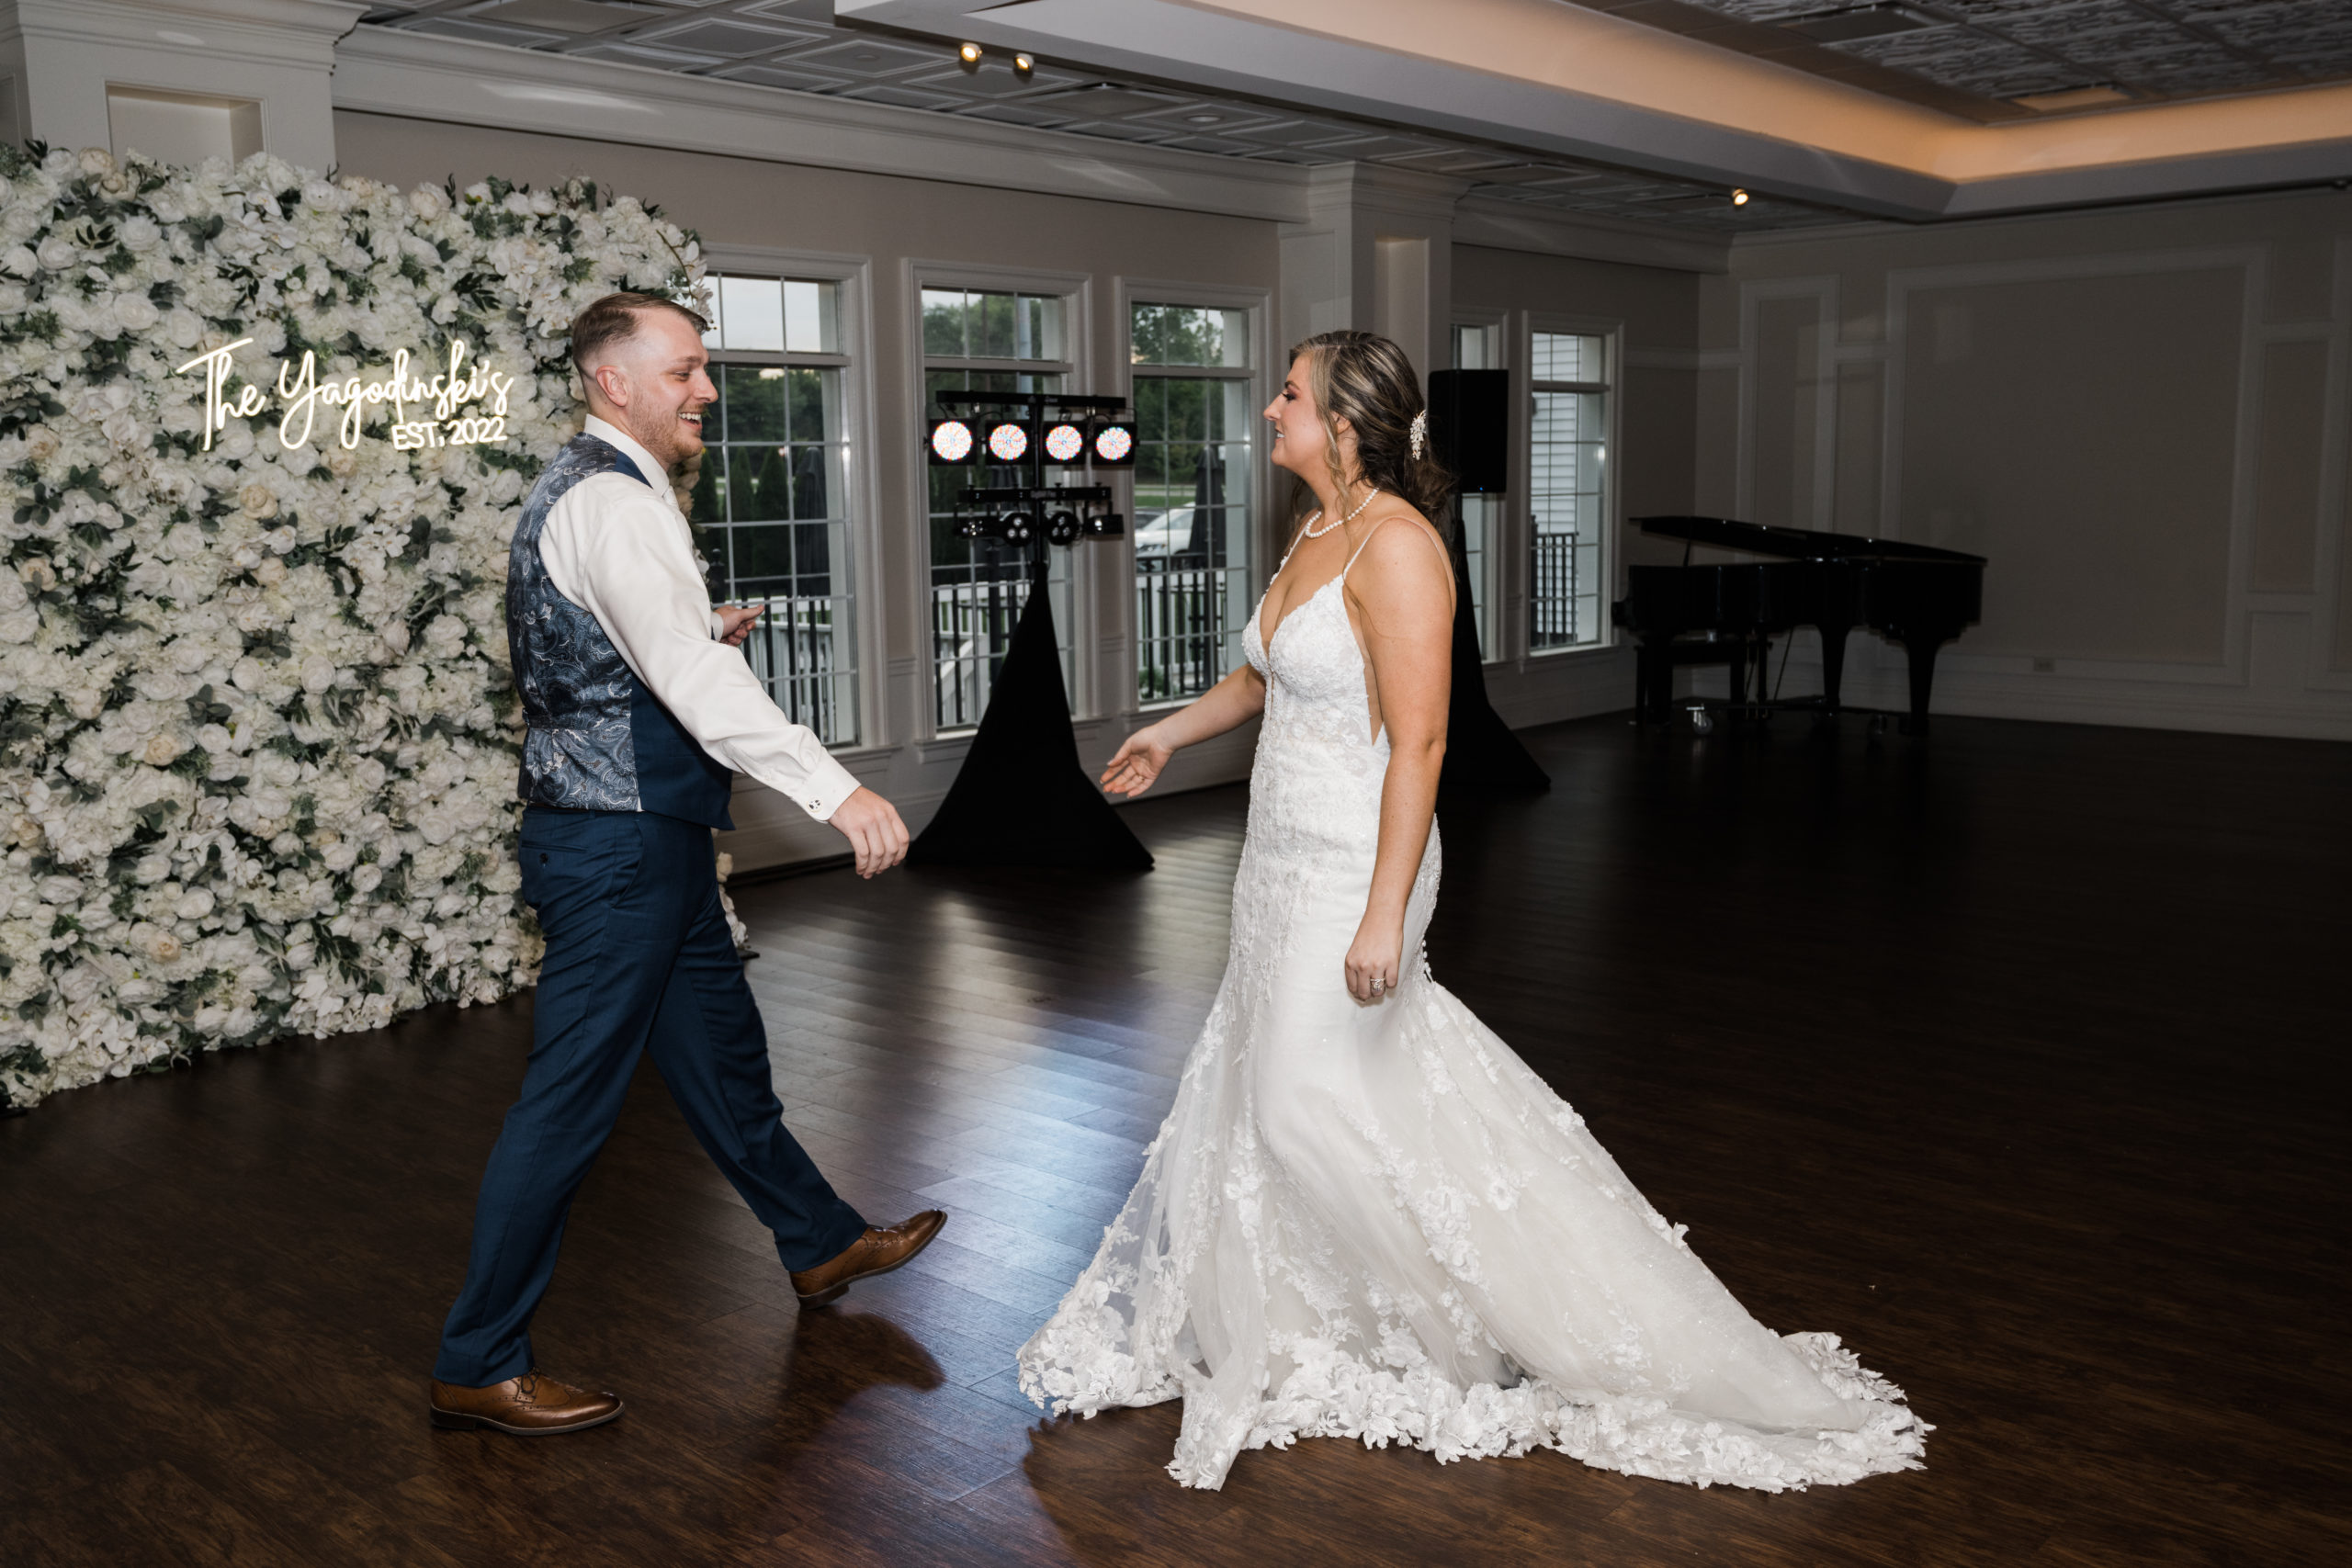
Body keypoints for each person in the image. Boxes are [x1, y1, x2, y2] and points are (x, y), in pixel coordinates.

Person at [1017, 331, 1928, 1491]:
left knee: (1298, 1102)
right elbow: (1260, 675)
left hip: (1358, 860)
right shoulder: (1313, 530)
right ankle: (1342, 1315)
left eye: (1287, 395)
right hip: (1277, 863)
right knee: (1301, 1086)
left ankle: (1458, 1322)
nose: (1268, 413)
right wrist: (1167, 730)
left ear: (1343, 423)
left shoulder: (1397, 548)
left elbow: (1423, 740)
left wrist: (1386, 909)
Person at [429, 293, 944, 1437]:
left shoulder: (599, 486)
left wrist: (696, 635)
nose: (705, 391)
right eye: (686, 371)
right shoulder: (611, 501)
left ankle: (818, 1242)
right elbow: (687, 684)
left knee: (721, 1053)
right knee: (566, 1107)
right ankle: (476, 1359)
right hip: (615, 851)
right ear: (614, 381)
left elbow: (620, 658)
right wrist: (835, 787)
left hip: (644, 841)